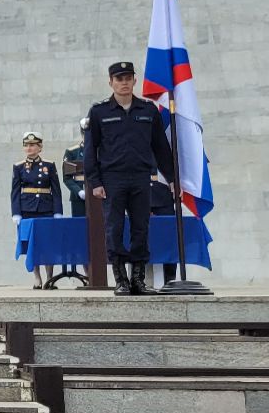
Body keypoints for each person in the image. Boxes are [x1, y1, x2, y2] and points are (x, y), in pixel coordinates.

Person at [85, 61, 176, 296]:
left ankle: (138, 280)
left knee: (141, 228)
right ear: (111, 82)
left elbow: (160, 147)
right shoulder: (99, 112)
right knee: (114, 229)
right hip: (112, 179)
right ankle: (121, 280)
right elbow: (90, 150)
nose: (124, 83)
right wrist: (95, 182)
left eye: (128, 78)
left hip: (140, 178)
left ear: (135, 81)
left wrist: (172, 178)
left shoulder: (147, 110)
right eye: (119, 79)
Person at [11, 132, 64, 289]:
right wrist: (16, 212)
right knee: (32, 244)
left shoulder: (49, 165)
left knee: (48, 243)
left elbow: (56, 190)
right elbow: (14, 191)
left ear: (40, 147)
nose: (29, 148)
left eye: (32, 145)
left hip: (46, 208)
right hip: (27, 209)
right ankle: (37, 278)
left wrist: (58, 211)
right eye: (26, 145)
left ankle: (49, 277)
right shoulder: (19, 167)